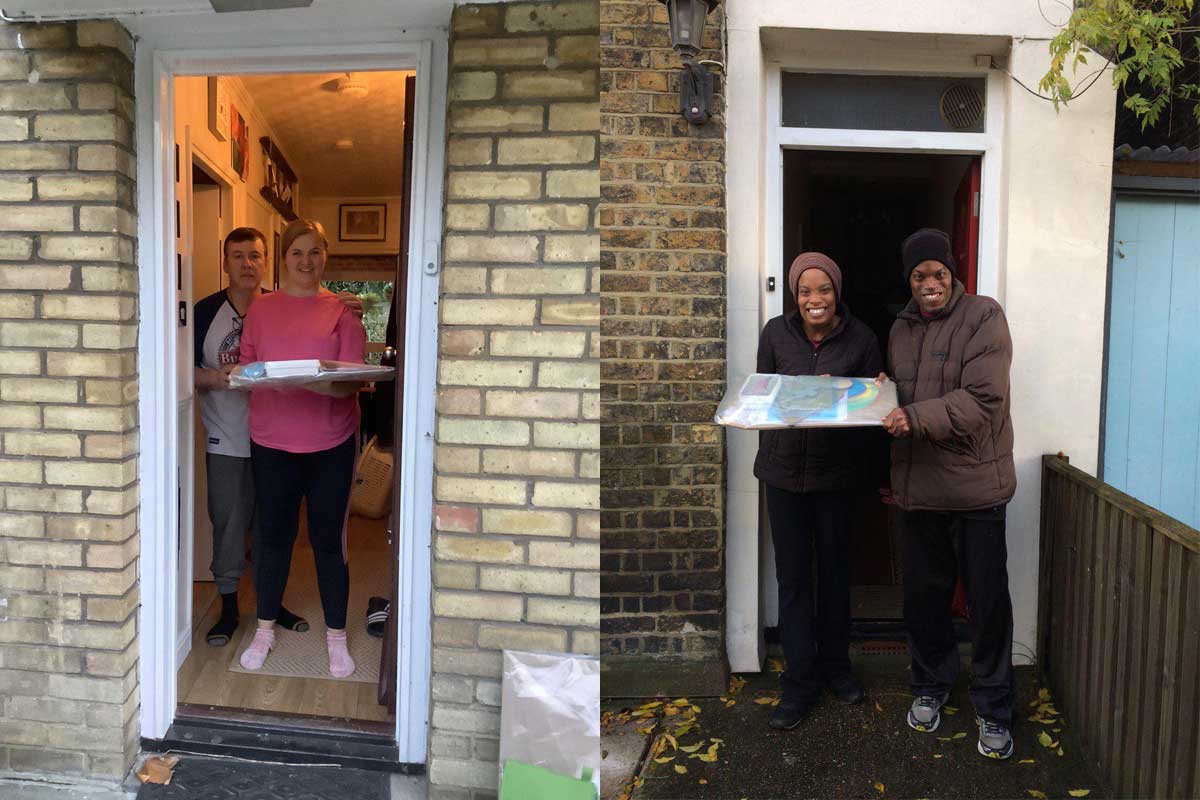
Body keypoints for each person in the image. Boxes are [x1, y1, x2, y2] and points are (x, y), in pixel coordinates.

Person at [879, 228, 1017, 759]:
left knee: (987, 605)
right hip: (918, 490)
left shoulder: (984, 316)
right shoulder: (901, 326)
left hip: (977, 489)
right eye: (919, 276)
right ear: (909, 281)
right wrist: (880, 392)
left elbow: (984, 398)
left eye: (938, 273)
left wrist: (910, 415)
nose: (929, 283)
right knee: (924, 601)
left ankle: (994, 704)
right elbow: (904, 389)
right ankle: (931, 685)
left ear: (952, 275)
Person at [754, 252, 886, 730]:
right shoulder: (775, 334)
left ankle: (837, 669)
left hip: (837, 478)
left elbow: (873, 409)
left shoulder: (863, 337)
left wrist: (862, 394)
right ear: (795, 295)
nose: (815, 299)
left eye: (824, 289)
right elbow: (764, 396)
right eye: (806, 290)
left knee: (834, 577)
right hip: (783, 474)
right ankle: (798, 683)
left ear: (837, 292)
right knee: (793, 583)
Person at [236, 218, 367, 679]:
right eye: (298, 252)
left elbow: (355, 380)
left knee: (329, 541)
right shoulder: (261, 310)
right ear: (284, 257)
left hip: (330, 442)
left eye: (315, 252)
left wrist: (321, 384)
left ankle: (335, 637)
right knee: (273, 541)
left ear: (325, 255)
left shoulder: (344, 311)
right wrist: (258, 376)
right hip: (271, 440)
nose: (307, 261)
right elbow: (246, 370)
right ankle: (265, 630)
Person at [194, 227, 316, 646]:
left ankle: (270, 604)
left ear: (268, 262)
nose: (248, 264)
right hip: (226, 440)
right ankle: (228, 609)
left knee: (274, 528)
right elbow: (180, 370)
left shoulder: (283, 308)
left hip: (278, 441)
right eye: (238, 256)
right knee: (227, 524)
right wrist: (215, 376)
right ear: (225, 261)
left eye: (256, 256)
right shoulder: (204, 312)